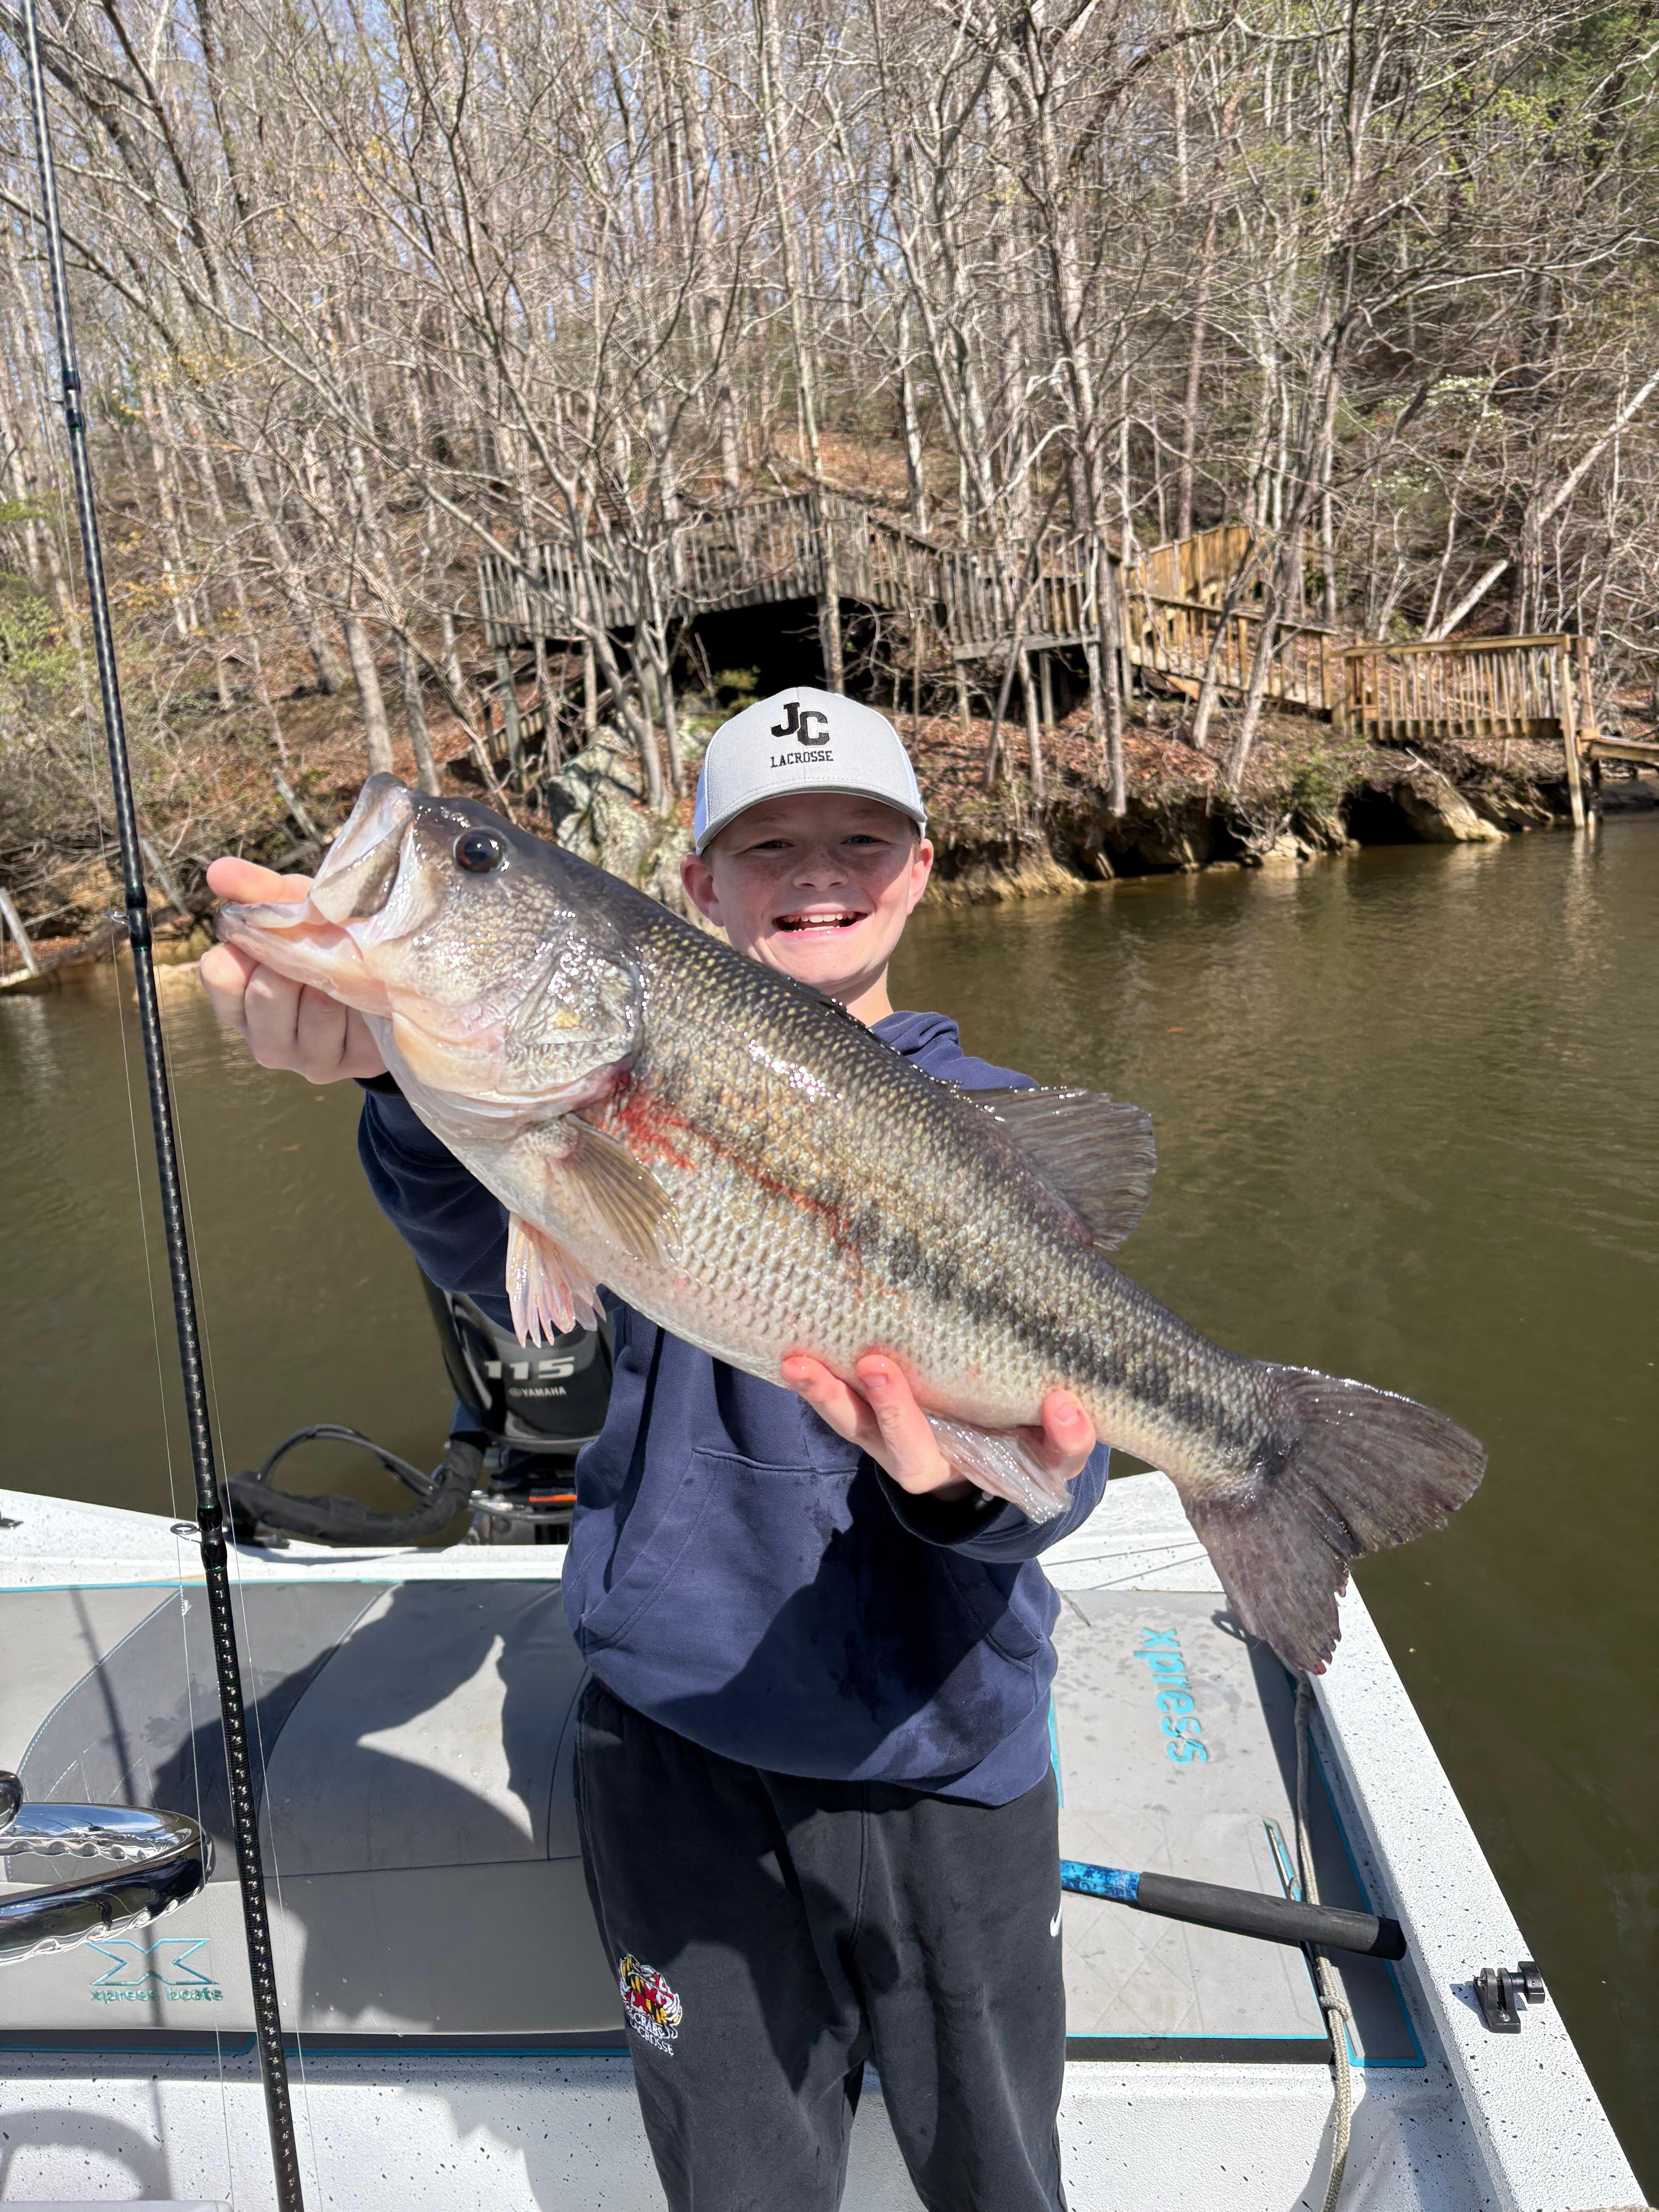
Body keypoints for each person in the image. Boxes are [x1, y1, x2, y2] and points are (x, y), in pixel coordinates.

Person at [201, 686, 1108, 2212]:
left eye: (856, 842)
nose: (816, 873)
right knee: (736, 2179)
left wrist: (965, 1499)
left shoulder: (991, 1127)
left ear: (920, 871)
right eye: (769, 846)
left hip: (940, 1765)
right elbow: (487, 1242)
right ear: (697, 887)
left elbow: (1058, 1462)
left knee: (997, 2176)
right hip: (670, 1749)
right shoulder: (601, 1084)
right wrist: (390, 1080)